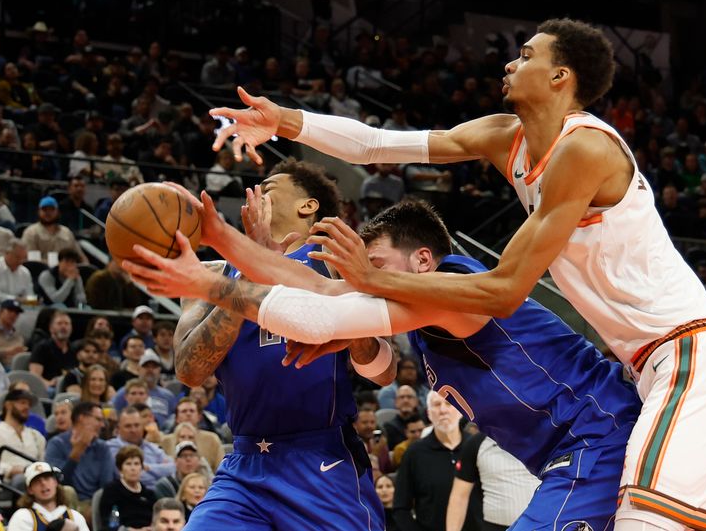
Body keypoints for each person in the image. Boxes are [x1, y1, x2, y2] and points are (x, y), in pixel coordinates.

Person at [207, 18, 706, 531]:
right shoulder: (506, 137)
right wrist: (284, 121)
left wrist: (370, 279)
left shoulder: (586, 148)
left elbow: (504, 290)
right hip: (647, 368)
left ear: (561, 76)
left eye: (526, 55)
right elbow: (378, 144)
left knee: (645, 520)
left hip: (688, 350)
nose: (509, 64)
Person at [124, 199, 642, 530]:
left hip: (597, 438)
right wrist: (218, 238)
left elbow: (321, 310)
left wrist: (207, 284)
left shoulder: (453, 286)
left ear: (421, 260)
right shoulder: (414, 310)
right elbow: (323, 288)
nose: (362, 280)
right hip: (570, 451)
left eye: (374, 267)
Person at [130, 161, 390, 531]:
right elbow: (190, 371)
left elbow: (384, 371)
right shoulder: (212, 275)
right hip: (246, 464)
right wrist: (247, 270)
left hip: (322, 460)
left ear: (307, 206)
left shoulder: (335, 265)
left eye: (267, 188)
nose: (255, 195)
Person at [394, 392, 482, 531]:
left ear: (460, 411)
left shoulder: (478, 447)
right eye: (436, 405)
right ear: (429, 414)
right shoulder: (414, 453)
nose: (443, 410)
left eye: (448, 404)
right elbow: (401, 508)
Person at [447, 431, 540, 531]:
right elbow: (459, 497)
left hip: (540, 525)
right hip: (494, 527)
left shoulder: (544, 439)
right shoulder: (476, 443)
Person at [45, 401, 114, 505]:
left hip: (96, 504)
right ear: (82, 418)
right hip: (67, 504)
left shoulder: (102, 447)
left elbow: (107, 485)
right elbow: (55, 482)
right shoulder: (57, 444)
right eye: (98, 419)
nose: (102, 425)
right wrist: (75, 454)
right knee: (68, 492)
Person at [0, 389, 45, 483]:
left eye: (29, 405)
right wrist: (13, 470)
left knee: (67, 490)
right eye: (22, 403)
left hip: (35, 480)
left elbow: (42, 464)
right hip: (4, 482)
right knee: (21, 480)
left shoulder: (36, 435)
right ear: (8, 405)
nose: (27, 407)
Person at [6, 462, 90, 531]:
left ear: (55, 482)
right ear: (30, 490)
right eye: (37, 481)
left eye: (47, 478)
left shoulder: (75, 516)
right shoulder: (22, 517)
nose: (43, 483)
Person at [106, 407, 175, 489]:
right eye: (128, 426)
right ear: (118, 429)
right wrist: (160, 470)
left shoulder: (152, 448)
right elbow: (129, 476)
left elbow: (173, 468)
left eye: (137, 425)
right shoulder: (111, 448)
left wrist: (148, 468)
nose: (133, 430)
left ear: (143, 427)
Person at [111, 350, 176, 428]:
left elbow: (174, 417)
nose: (150, 370)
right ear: (138, 369)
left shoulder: (168, 395)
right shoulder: (124, 392)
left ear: (159, 370)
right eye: (146, 366)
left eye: (154, 367)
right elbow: (112, 412)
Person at [99, 445, 157, 531]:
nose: (133, 468)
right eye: (128, 464)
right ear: (120, 469)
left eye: (136, 464)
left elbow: (156, 519)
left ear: (142, 468)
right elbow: (109, 523)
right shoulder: (112, 491)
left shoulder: (149, 494)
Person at [22, 197, 88, 264]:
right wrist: (54, 264)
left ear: (58, 212)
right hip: (40, 271)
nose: (48, 213)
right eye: (44, 210)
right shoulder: (31, 232)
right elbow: (31, 261)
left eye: (51, 210)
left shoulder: (67, 232)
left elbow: (81, 257)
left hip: (66, 271)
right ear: (39, 212)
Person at [29, 311, 75, 389]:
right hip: (48, 388)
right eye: (59, 323)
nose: (63, 327)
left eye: (67, 323)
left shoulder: (74, 349)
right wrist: (49, 383)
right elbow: (35, 376)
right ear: (51, 328)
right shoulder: (42, 347)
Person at [0, 239, 34, 304]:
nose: (21, 261)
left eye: (24, 258)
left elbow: (30, 294)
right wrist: (16, 299)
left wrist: (33, 300)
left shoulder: (25, 272)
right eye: (17, 257)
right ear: (7, 253)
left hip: (19, 309)